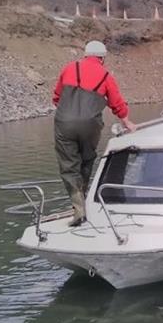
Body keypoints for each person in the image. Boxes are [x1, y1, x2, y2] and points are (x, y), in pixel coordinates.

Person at [52, 40, 136, 226]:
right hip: (90, 126)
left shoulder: (69, 68)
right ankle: (84, 199)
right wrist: (126, 121)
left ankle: (78, 208)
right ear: (102, 58)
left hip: (64, 123)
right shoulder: (105, 75)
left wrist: (69, 113)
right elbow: (117, 103)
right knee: (87, 161)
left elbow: (56, 97)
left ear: (85, 55)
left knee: (68, 166)